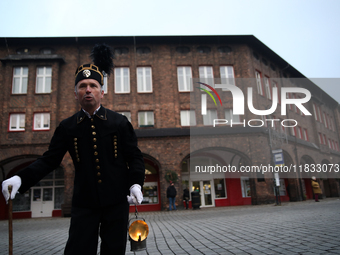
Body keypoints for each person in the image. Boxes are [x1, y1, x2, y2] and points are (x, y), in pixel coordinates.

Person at [1, 44, 145, 255]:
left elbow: (134, 156)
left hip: (116, 202)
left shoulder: (119, 122)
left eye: (93, 85)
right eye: (83, 85)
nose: (88, 89)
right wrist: (21, 179)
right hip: (84, 203)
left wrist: (135, 184)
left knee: (113, 251)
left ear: (102, 92)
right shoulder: (67, 127)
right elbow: (50, 160)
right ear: (75, 93)